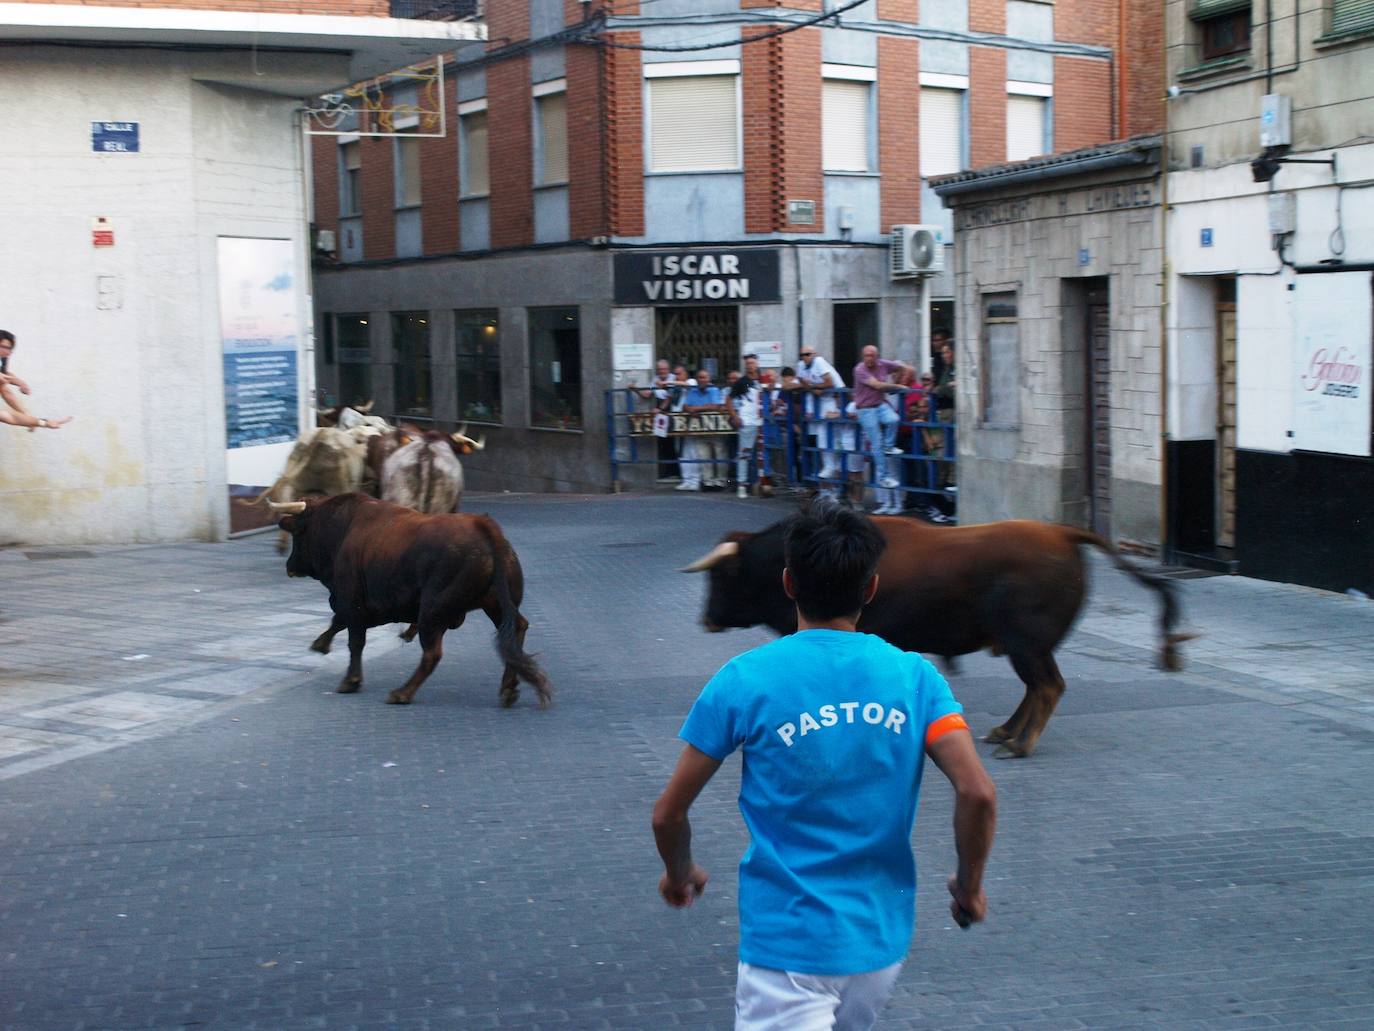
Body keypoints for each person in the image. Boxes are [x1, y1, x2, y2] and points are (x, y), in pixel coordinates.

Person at [652, 499, 997, 1031]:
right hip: (878, 946)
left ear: (788, 583)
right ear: (871, 587)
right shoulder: (916, 678)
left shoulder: (743, 679)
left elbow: (668, 815)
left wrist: (681, 874)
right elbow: (977, 792)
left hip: (787, 946)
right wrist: (969, 887)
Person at [852, 345, 914, 515]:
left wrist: (903, 375)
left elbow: (904, 367)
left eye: (872, 355)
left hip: (879, 405)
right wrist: (898, 386)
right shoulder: (859, 369)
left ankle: (889, 445)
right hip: (865, 409)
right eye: (866, 355)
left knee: (894, 419)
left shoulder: (883, 364)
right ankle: (883, 477)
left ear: (877, 356)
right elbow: (877, 385)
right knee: (876, 442)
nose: (869, 358)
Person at [797, 347, 854, 496]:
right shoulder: (801, 365)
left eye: (807, 354)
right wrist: (813, 388)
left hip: (836, 398)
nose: (804, 357)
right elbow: (803, 383)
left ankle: (837, 485)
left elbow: (828, 383)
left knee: (837, 440)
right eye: (802, 355)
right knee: (824, 438)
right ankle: (830, 484)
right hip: (823, 403)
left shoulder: (819, 362)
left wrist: (811, 386)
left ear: (814, 354)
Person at [0, 331, 72, 431]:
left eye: (10, 348)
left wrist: (41, 422)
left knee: (3, 387)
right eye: (5, 347)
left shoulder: (3, 359)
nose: (9, 352)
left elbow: (10, 417)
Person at [678, 368, 728, 491]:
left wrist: (695, 409)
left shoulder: (714, 390)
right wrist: (700, 408)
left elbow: (715, 406)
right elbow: (685, 406)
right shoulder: (693, 391)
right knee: (704, 455)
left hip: (715, 428)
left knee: (719, 454)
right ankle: (708, 482)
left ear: (709, 379)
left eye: (704, 377)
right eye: (700, 377)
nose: (702, 380)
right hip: (700, 428)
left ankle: (721, 481)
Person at [729, 355, 764, 499]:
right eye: (748, 363)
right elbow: (728, 399)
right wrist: (734, 416)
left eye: (752, 363)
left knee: (763, 455)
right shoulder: (741, 382)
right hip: (747, 422)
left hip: (762, 422)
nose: (750, 365)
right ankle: (742, 485)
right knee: (744, 454)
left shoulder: (763, 380)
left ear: (757, 364)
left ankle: (762, 484)